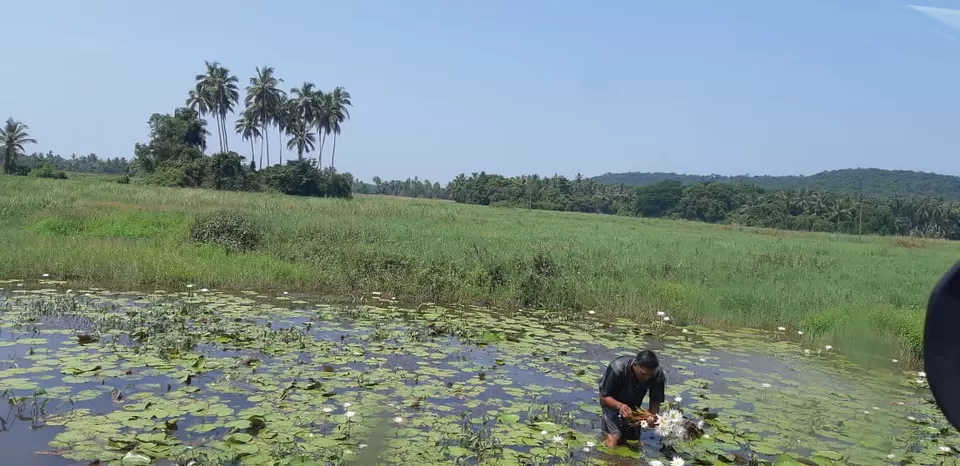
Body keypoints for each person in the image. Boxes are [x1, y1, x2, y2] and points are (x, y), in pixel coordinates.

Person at [598, 349, 666, 448]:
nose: (647, 378)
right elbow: (603, 397)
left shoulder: (658, 375)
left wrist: (652, 417)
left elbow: (655, 403)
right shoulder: (617, 368)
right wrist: (620, 406)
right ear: (634, 364)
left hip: (634, 405)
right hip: (612, 402)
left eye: (650, 375)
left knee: (633, 442)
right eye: (643, 374)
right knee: (614, 439)